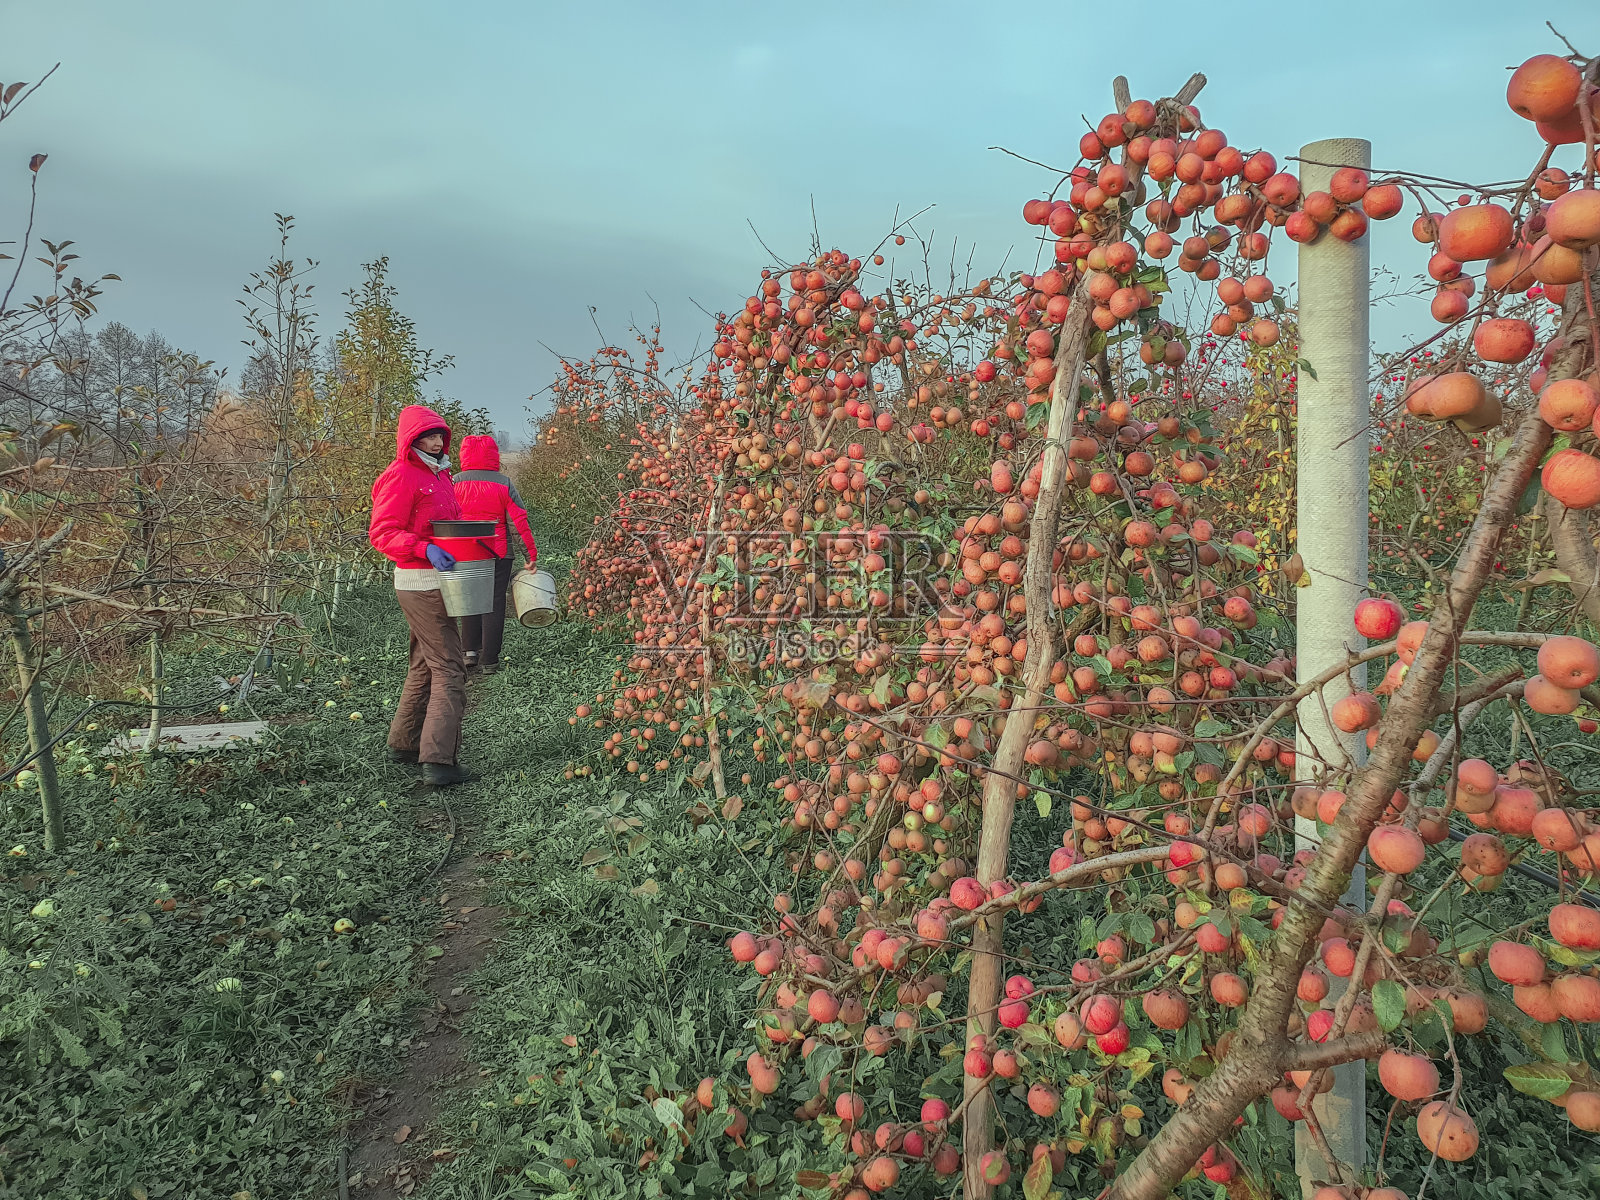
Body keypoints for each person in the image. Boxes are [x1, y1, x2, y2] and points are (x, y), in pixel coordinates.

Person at [368, 404, 474, 787]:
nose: (435, 442)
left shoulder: (438, 474)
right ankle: (439, 761)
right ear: (410, 440)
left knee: (424, 662)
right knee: (450, 666)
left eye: (439, 436)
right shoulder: (402, 475)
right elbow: (382, 532)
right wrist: (423, 548)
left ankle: (405, 742)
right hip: (420, 581)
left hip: (439, 579)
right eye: (427, 436)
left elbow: (447, 521)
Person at [453, 434, 537, 674]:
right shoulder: (504, 484)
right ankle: (489, 660)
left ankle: (469, 652)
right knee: (494, 602)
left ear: (464, 455)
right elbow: (518, 522)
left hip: (463, 552)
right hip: (497, 552)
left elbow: (445, 518)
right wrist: (530, 554)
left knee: (469, 599)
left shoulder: (453, 482)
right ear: (494, 456)